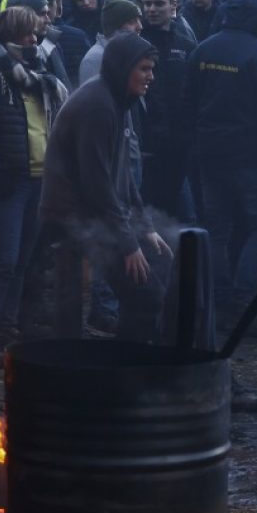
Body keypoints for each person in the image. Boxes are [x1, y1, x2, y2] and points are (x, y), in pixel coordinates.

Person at [40, 33, 173, 342]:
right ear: (123, 67)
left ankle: (128, 366)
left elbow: (122, 175)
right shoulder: (98, 106)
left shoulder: (118, 100)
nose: (150, 76)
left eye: (152, 69)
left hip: (97, 212)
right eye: (143, 69)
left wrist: (146, 226)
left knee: (154, 281)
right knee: (146, 294)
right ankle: (128, 373)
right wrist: (128, 244)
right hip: (72, 215)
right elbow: (96, 181)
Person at [0, 7, 68, 355]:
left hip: (38, 181)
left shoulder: (39, 75)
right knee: (5, 261)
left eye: (35, 33)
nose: (34, 39)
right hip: (9, 183)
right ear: (10, 36)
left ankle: (7, 325)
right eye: (26, 34)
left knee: (22, 260)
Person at [186, 0, 257, 326]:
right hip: (250, 156)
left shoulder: (204, 48)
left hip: (209, 153)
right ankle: (245, 302)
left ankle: (220, 300)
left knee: (218, 228)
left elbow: (189, 100)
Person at [139, 0, 196, 221]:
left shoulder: (185, 42)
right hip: (147, 142)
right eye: (147, 4)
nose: (151, 9)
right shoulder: (138, 43)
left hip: (180, 141)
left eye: (158, 4)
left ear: (173, 5)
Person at [79, 0, 143, 85]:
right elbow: (90, 97)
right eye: (132, 22)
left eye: (139, 21)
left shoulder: (128, 52)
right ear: (114, 26)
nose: (140, 27)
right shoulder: (94, 59)